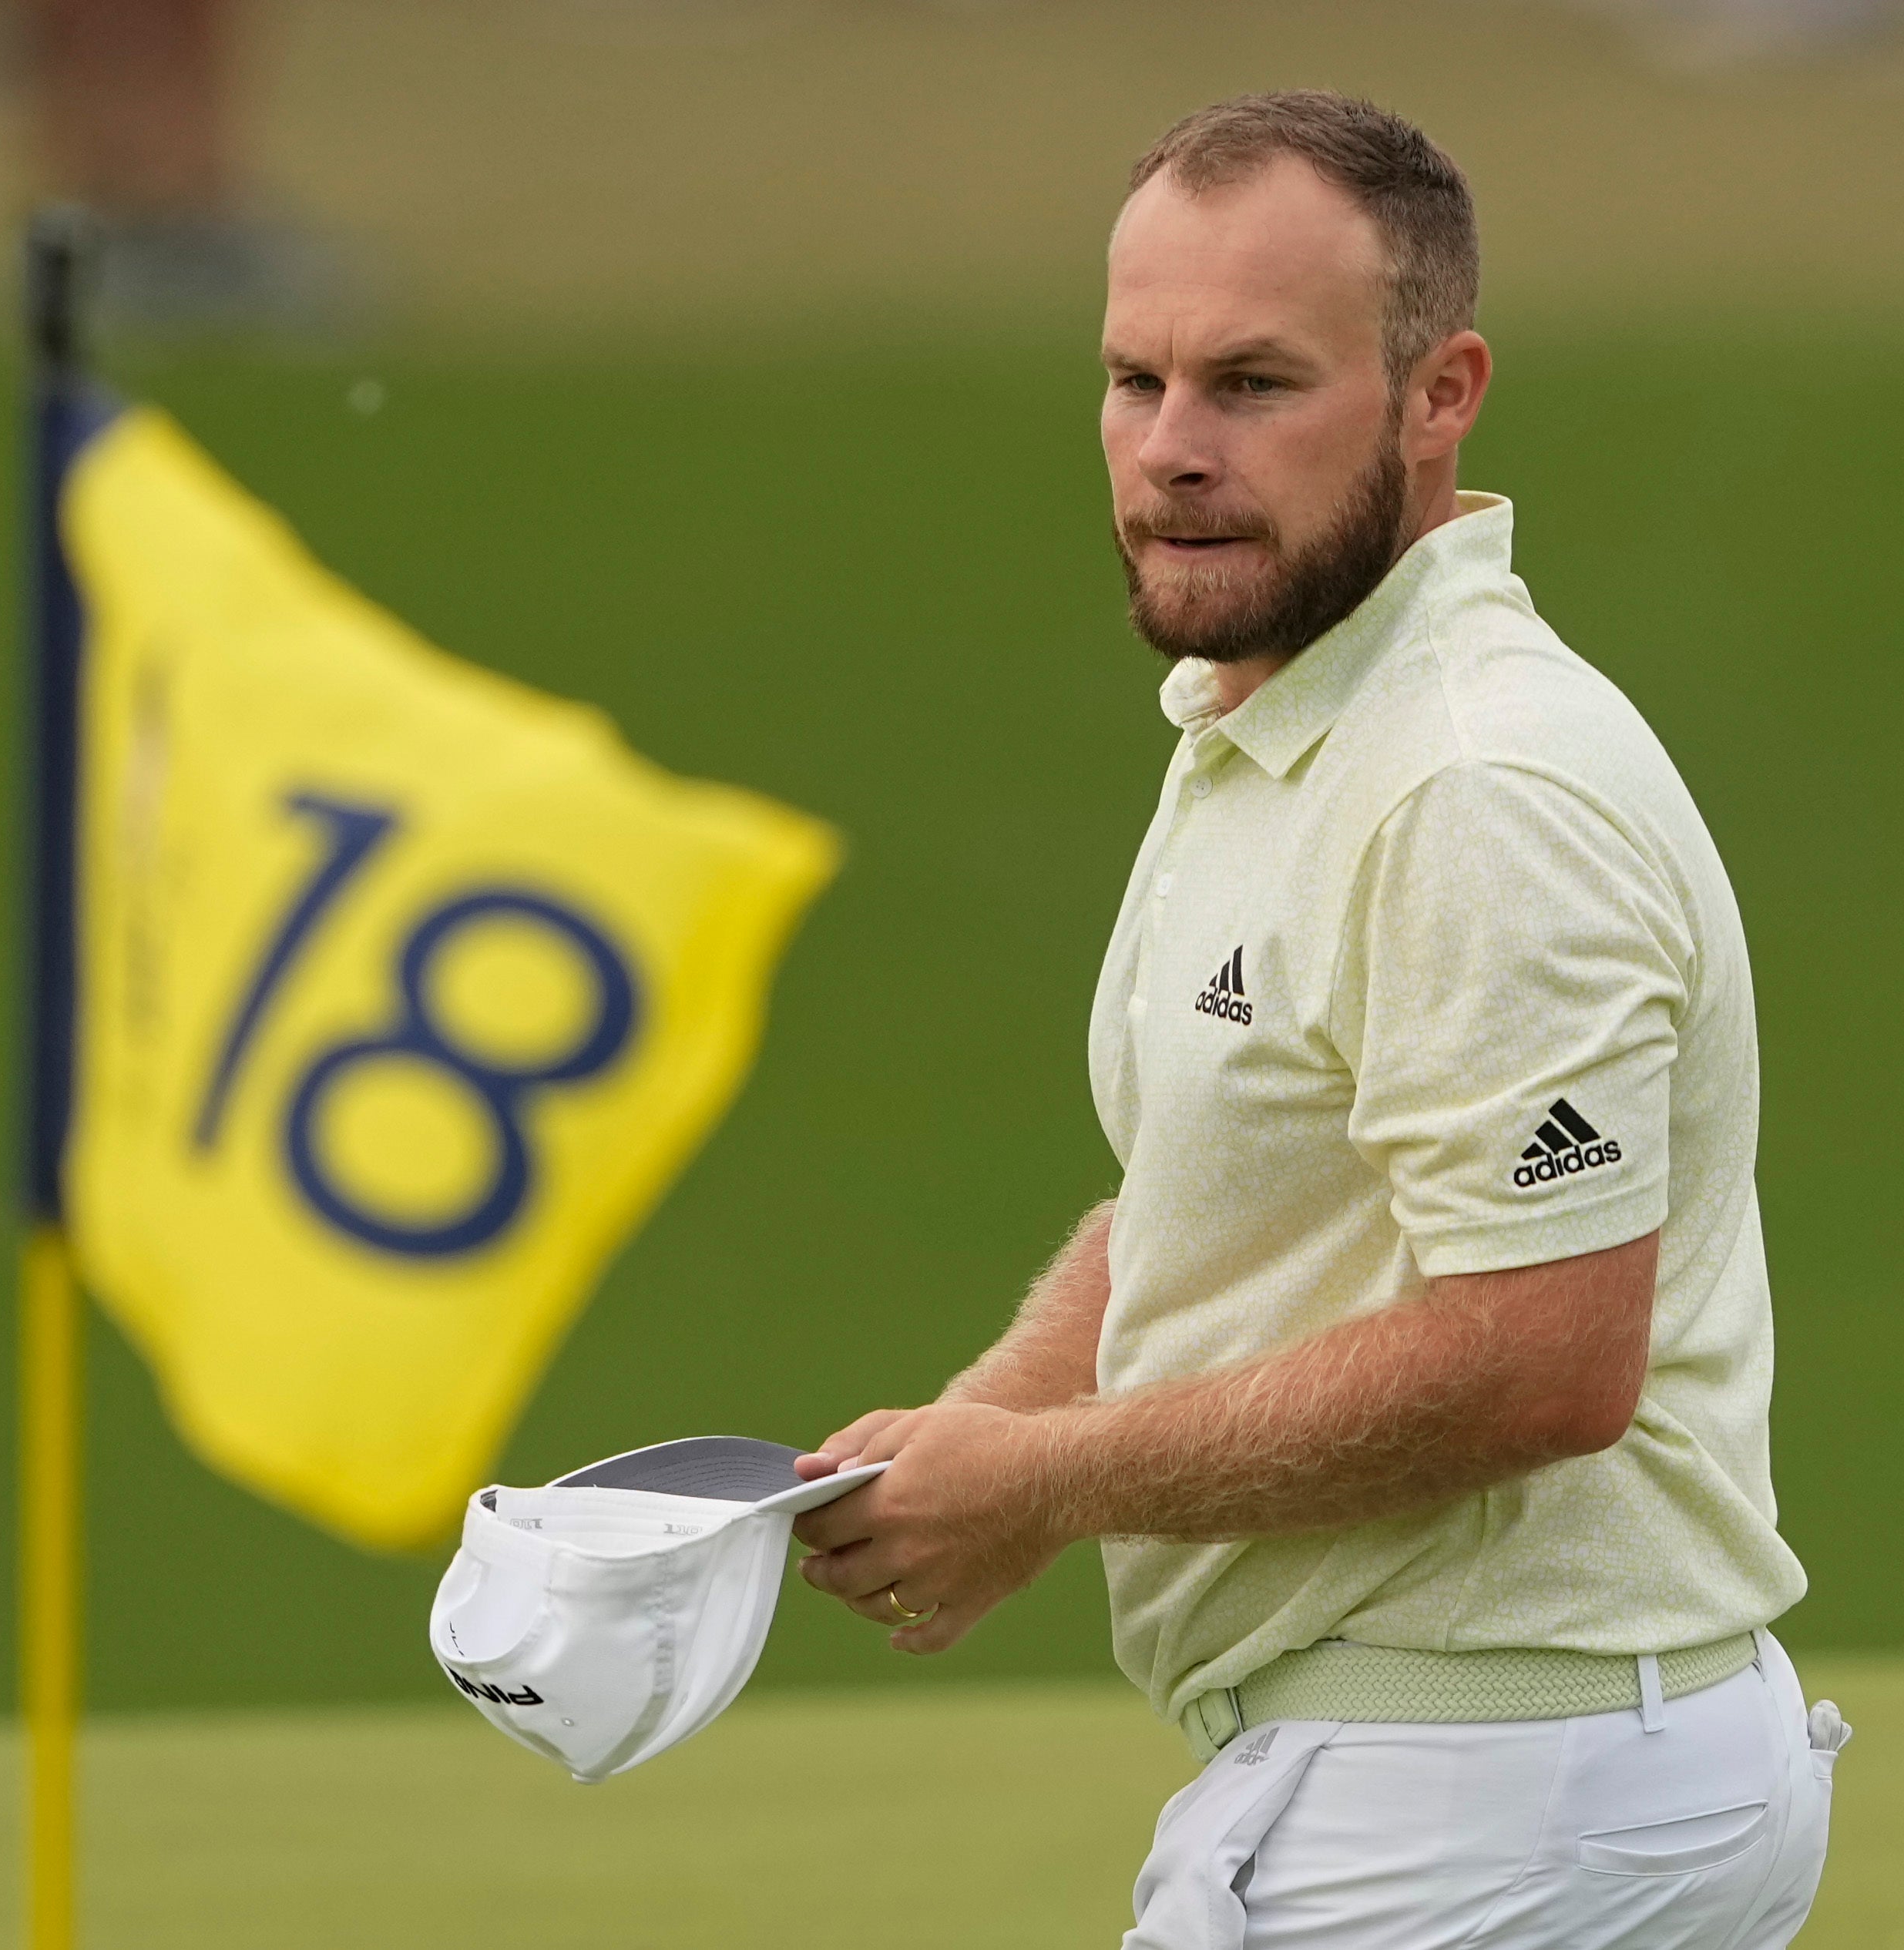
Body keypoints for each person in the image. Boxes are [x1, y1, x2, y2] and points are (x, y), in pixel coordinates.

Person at [790, 92, 1842, 1948]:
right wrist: (970, 1454)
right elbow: (1227, 1207)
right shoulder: (1278, 725)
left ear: (1439, 396)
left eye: (1253, 385)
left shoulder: (1468, 787)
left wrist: (1041, 1474)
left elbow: (1540, 1357)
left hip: (1492, 1804)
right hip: (1480, 1784)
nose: (1169, 451)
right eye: (1134, 381)